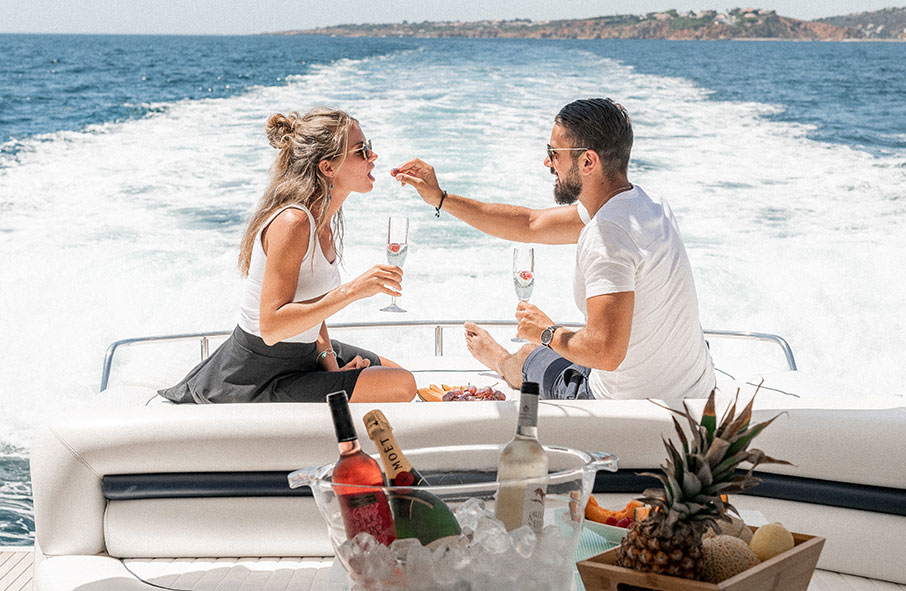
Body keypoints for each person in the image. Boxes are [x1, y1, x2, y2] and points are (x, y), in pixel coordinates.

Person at [392, 98, 714, 401]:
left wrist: (545, 332)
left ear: (588, 161)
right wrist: (441, 198)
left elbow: (605, 353)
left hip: (623, 404)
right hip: (697, 395)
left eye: (554, 152)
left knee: (530, 354)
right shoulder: (647, 205)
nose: (547, 161)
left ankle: (501, 361)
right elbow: (530, 224)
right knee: (567, 344)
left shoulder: (606, 235)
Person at [160, 107, 416, 404]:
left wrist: (330, 366)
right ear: (327, 168)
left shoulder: (324, 223)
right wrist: (353, 291)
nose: (373, 157)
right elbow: (271, 327)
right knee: (402, 385)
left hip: (304, 355)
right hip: (260, 375)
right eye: (362, 151)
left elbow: (312, 301)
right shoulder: (293, 223)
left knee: (396, 372)